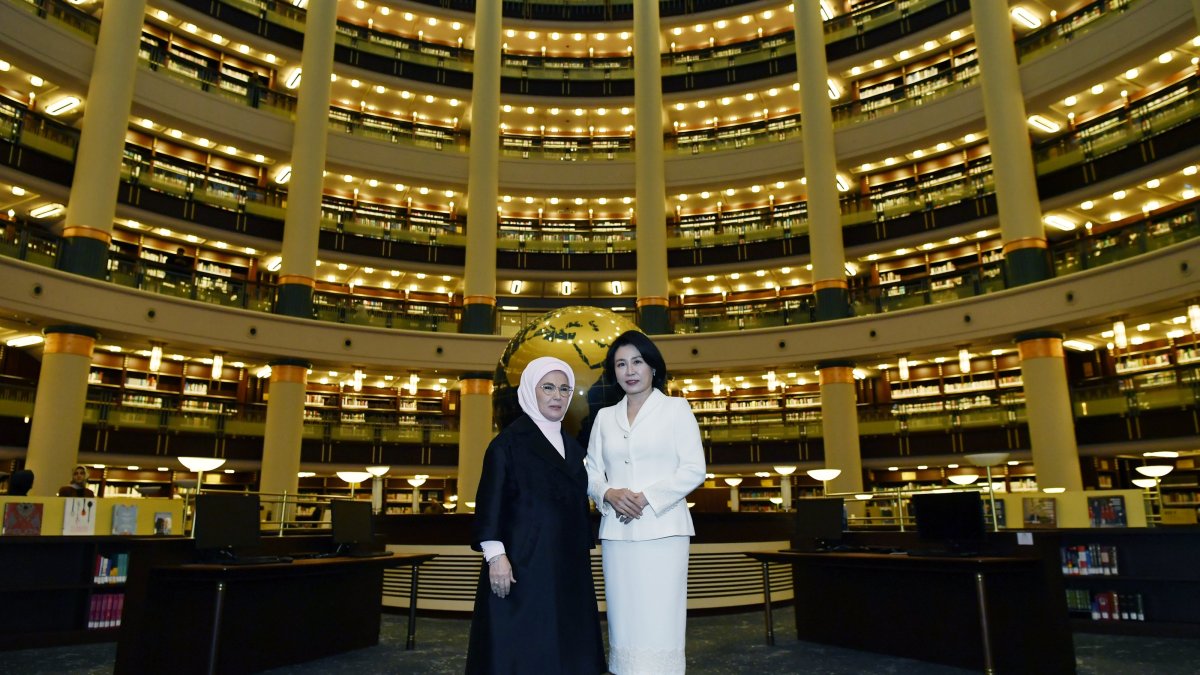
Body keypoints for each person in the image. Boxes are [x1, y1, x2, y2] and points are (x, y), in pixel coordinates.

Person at [465, 356, 605, 674]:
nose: (558, 396)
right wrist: (495, 556)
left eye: (565, 389)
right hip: (520, 564)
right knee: (524, 648)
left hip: (569, 565)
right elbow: (490, 503)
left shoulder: (575, 448)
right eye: (548, 387)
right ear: (531, 390)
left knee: (567, 645)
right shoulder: (506, 444)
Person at [586, 330, 707, 675]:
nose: (630, 370)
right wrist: (608, 494)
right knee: (624, 616)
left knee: (660, 614)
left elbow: (694, 469)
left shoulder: (675, 408)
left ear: (653, 366)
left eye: (637, 361)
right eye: (621, 364)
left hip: (664, 529)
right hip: (617, 534)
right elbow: (592, 473)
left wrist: (647, 497)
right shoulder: (605, 417)